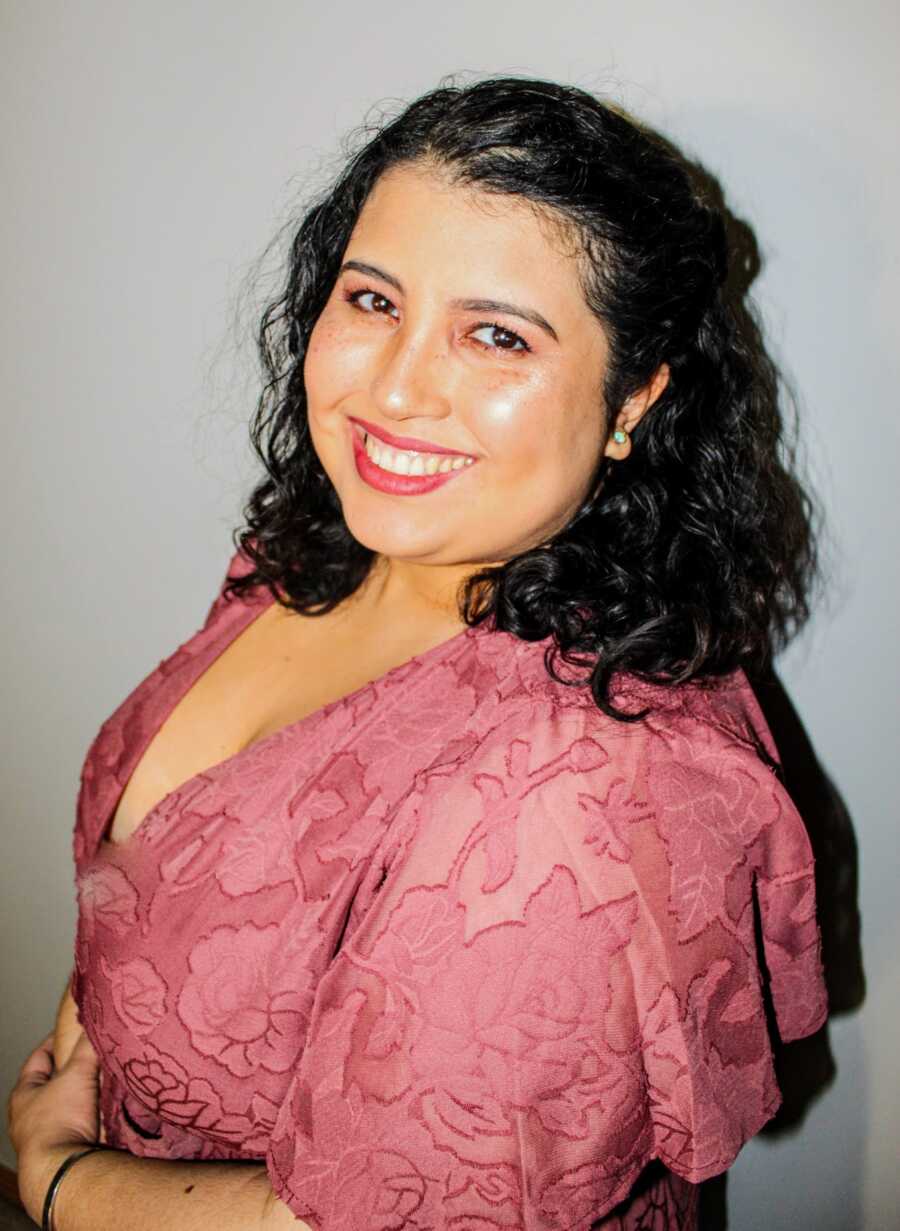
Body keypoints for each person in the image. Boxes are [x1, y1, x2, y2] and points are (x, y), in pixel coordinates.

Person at [8, 75, 828, 1230]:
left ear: (634, 397)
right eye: (373, 299)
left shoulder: (588, 795)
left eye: (495, 336)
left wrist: (57, 1178)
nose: (394, 388)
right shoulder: (306, 555)